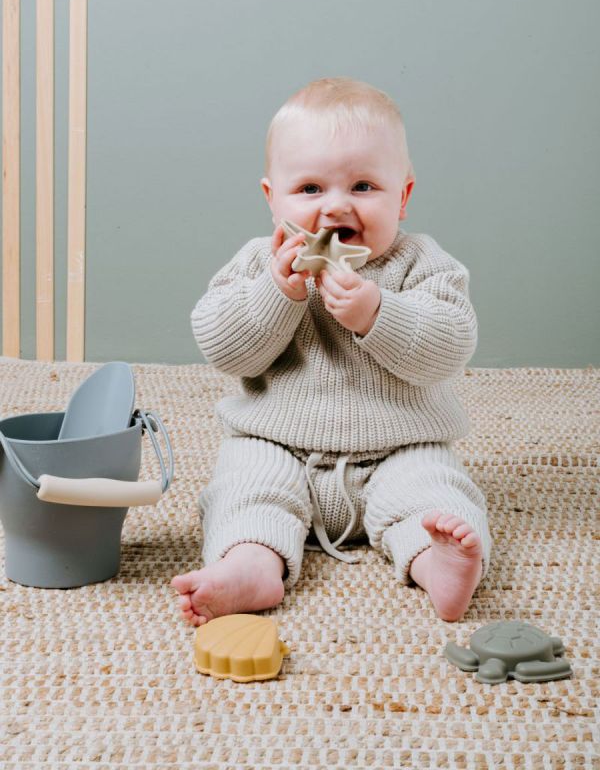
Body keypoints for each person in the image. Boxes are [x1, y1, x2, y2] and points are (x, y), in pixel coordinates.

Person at [171, 77, 491, 625]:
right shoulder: (258, 264)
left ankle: (439, 563)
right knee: (245, 489)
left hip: (398, 448)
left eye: (364, 186)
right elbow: (223, 347)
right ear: (273, 199)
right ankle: (251, 565)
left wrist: (378, 314)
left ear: (403, 196)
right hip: (278, 446)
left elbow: (450, 345)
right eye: (311, 189)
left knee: (436, 491)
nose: (336, 205)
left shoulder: (421, 263)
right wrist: (278, 295)